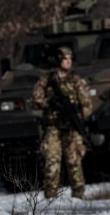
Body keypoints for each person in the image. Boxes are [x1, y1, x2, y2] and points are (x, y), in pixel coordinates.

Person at [31, 45, 96, 199]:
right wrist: (49, 103)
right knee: (52, 162)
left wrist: (79, 115)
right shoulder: (47, 80)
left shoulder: (76, 80)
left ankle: (78, 196)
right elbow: (35, 101)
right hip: (53, 127)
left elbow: (87, 104)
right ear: (58, 60)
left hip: (72, 128)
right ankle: (50, 196)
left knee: (74, 162)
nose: (68, 62)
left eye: (70, 59)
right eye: (65, 59)